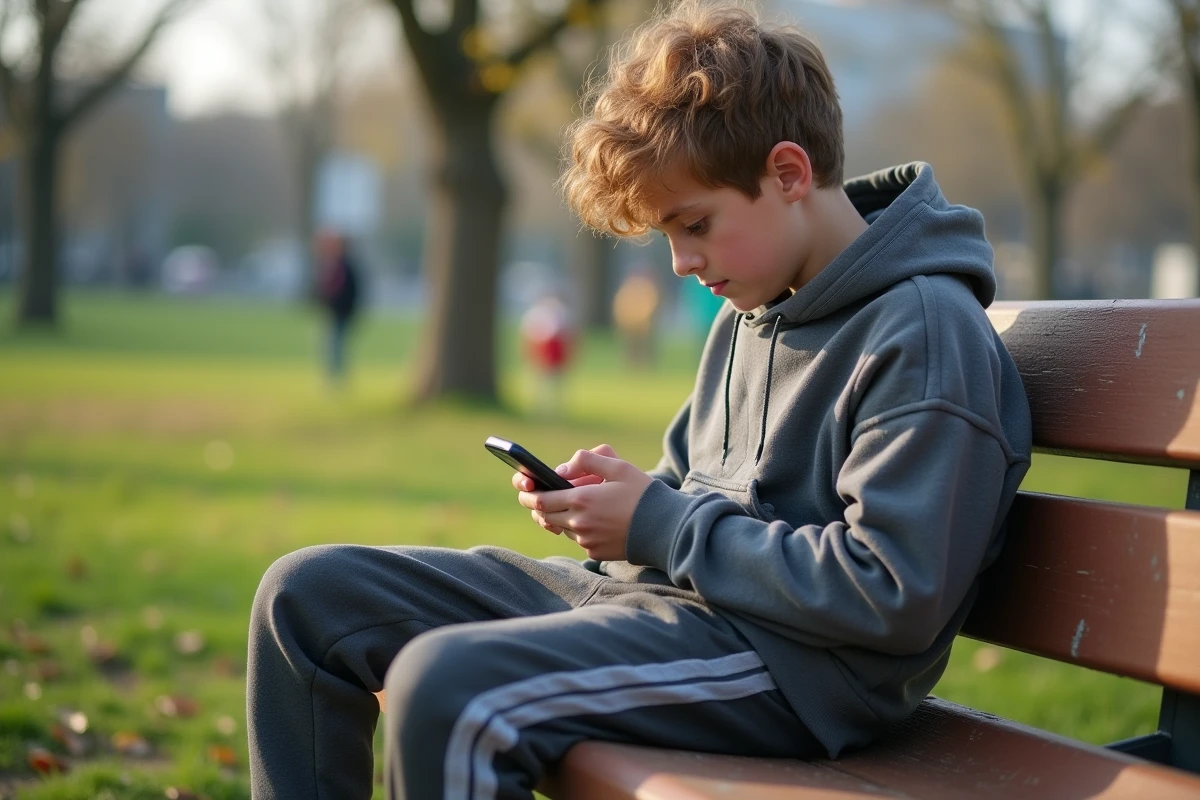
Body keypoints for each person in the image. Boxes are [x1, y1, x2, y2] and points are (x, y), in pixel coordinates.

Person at [246, 3, 1032, 798]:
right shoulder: (749, 310)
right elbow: (681, 504)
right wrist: (611, 511)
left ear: (789, 174)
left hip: (795, 673)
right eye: (666, 234)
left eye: (694, 224)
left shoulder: (925, 333)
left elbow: (892, 594)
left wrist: (658, 522)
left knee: (446, 689)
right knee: (307, 599)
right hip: (663, 609)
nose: (682, 262)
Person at [314, 229, 361, 385]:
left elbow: (347, 291)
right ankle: (335, 377)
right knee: (333, 345)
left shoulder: (344, 266)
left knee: (335, 345)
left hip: (341, 313)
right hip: (334, 312)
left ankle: (337, 379)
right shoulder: (334, 264)